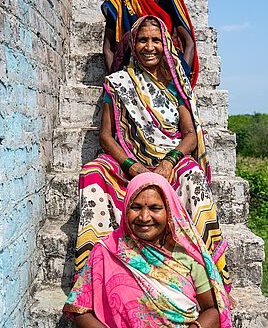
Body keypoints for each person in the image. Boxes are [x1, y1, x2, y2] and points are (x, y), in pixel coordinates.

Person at [74, 15, 232, 304]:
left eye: (156, 40)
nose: (149, 46)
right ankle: (92, 280)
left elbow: (189, 135)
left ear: (166, 44)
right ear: (133, 44)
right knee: (92, 171)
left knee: (193, 177)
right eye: (142, 40)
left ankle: (211, 278)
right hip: (128, 161)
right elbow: (107, 137)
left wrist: (170, 162)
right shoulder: (119, 83)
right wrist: (132, 166)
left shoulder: (176, 83)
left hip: (169, 159)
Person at [63, 173, 235, 328]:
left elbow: (214, 311)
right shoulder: (106, 251)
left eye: (155, 208)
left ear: (169, 210)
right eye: (136, 208)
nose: (144, 217)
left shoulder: (188, 255)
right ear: (125, 208)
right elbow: (79, 311)